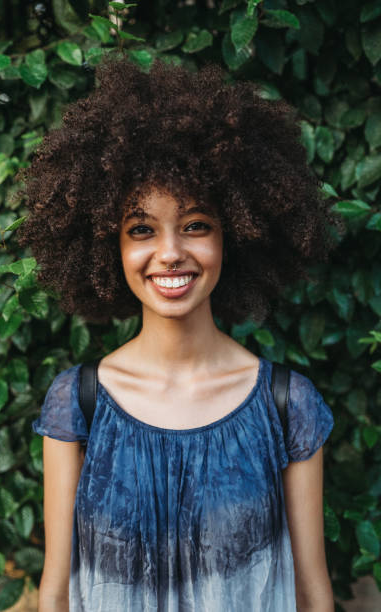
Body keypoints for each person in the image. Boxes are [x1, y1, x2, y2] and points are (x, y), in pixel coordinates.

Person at [17, 56, 340, 611]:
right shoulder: (79, 402)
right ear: (106, 247)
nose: (169, 252)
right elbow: (56, 595)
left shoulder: (288, 405)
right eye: (141, 229)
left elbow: (311, 595)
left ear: (235, 233)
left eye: (195, 225)